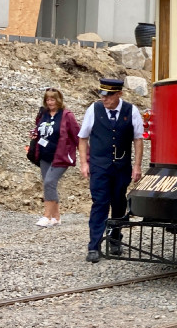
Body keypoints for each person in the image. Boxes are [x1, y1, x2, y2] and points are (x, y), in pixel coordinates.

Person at [77, 78, 144, 263]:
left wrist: (137, 166)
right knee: (99, 203)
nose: (104, 99)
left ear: (119, 94)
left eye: (108, 95)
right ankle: (94, 246)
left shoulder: (131, 111)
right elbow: (82, 138)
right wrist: (84, 163)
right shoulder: (94, 109)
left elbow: (138, 139)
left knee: (119, 203)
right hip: (99, 167)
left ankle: (115, 239)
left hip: (121, 167)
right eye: (102, 95)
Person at [33, 88, 80, 228]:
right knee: (49, 185)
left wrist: (86, 158)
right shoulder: (43, 114)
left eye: (52, 99)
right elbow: (39, 129)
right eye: (48, 99)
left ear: (58, 100)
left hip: (60, 156)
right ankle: (56, 217)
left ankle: (47, 216)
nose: (50, 102)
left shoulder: (67, 116)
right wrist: (35, 135)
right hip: (44, 155)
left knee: (49, 182)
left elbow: (78, 136)